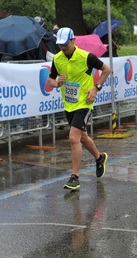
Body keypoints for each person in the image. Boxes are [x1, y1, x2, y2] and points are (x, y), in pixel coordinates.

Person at [47, 27, 111, 189]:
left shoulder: (86, 56)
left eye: (65, 44)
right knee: (82, 137)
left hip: (84, 102)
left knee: (73, 138)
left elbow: (106, 70)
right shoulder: (58, 59)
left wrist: (96, 88)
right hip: (69, 104)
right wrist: (57, 83)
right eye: (60, 44)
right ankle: (99, 157)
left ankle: (74, 177)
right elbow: (50, 80)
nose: (62, 47)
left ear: (73, 40)